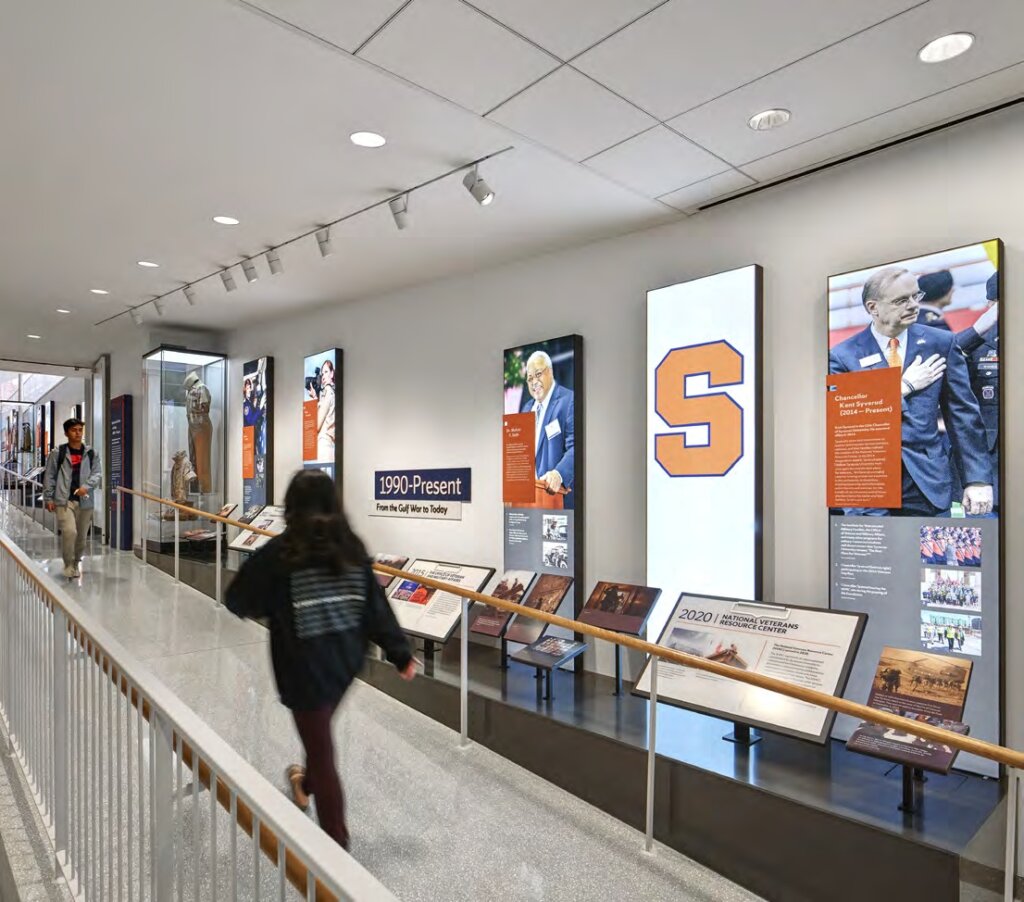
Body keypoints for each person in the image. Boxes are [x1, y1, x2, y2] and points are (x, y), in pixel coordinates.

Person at [225, 470, 415, 849]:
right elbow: (375, 607)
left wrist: (277, 607)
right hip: (345, 664)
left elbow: (238, 599)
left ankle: (336, 852)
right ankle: (304, 783)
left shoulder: (280, 554)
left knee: (322, 750)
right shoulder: (352, 548)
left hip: (304, 669)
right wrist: (400, 653)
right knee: (319, 738)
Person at [828, 267, 992, 517]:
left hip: (926, 480)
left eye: (916, 296)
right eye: (901, 300)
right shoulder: (844, 355)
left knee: (931, 555)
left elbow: (963, 415)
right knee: (875, 556)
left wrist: (977, 479)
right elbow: (848, 420)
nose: (914, 305)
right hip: (866, 482)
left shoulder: (941, 343)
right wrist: (904, 387)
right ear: (873, 307)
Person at [955, 271, 999, 509]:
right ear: (991, 305)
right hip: (987, 469)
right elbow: (945, 362)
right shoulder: (978, 340)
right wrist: (979, 329)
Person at [43, 418, 102, 580]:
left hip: (85, 500)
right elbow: (50, 476)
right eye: (74, 430)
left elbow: (97, 473)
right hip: (63, 499)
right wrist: (48, 498)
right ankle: (68, 564)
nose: (78, 433)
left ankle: (76, 563)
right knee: (70, 531)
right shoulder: (58, 453)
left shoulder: (91, 453)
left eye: (80, 430)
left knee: (82, 536)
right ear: (66, 433)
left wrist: (87, 487)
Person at [524, 350, 575, 508]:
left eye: (538, 374)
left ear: (550, 371)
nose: (534, 382)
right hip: (529, 503)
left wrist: (558, 474)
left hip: (557, 500)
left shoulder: (568, 400)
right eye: (530, 378)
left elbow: (576, 447)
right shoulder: (526, 409)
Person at [317, 358, 336, 462]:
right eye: (322, 373)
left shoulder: (328, 392)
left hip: (324, 443)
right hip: (329, 444)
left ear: (332, 373)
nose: (323, 375)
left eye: (326, 372)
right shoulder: (332, 392)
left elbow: (317, 424)